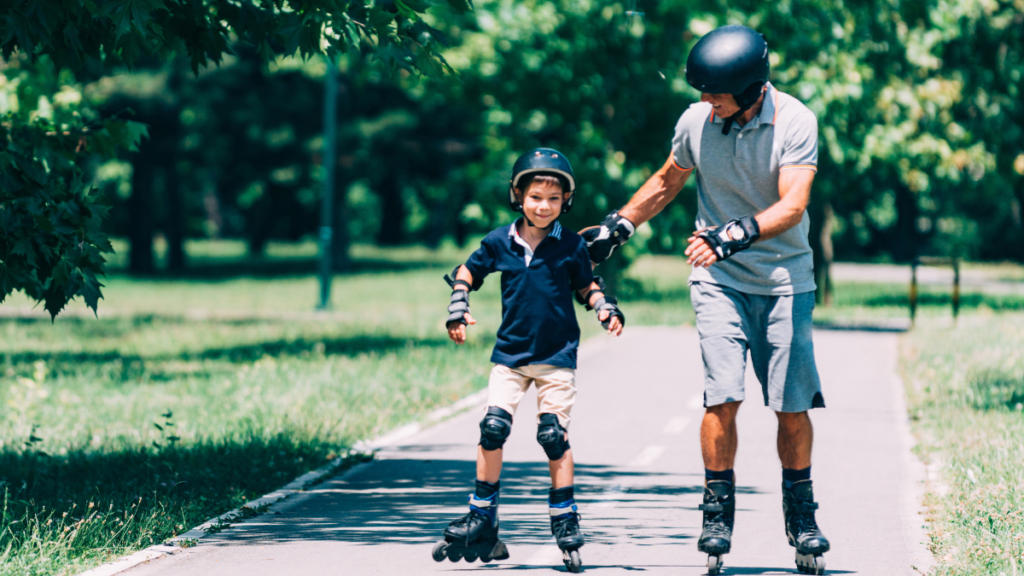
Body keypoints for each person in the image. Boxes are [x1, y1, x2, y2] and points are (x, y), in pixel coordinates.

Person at [582, 25, 831, 576]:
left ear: (751, 89)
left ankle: (802, 515)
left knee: (790, 407)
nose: (704, 103)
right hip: (716, 280)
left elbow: (793, 205)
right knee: (722, 397)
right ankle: (717, 513)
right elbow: (669, 180)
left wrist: (733, 234)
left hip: (786, 281)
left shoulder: (794, 120)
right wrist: (619, 224)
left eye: (715, 94)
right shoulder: (698, 121)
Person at [430, 148, 625, 574]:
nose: (544, 206)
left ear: (565, 202)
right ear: (518, 195)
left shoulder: (572, 244)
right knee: (492, 427)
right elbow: (468, 270)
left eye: (554, 199)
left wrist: (604, 307)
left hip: (556, 358)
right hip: (511, 356)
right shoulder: (500, 241)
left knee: (553, 435)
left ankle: (565, 516)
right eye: (536, 197)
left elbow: (586, 285)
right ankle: (482, 512)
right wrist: (458, 303)